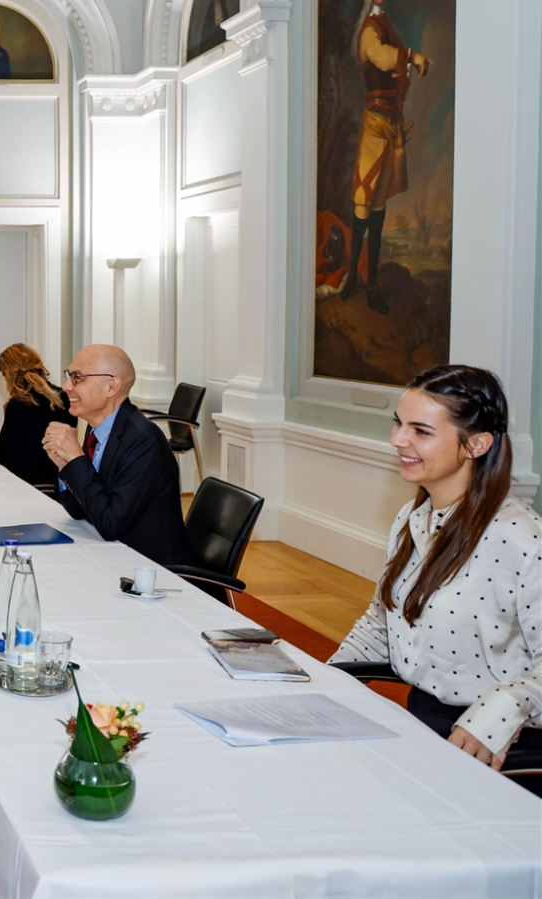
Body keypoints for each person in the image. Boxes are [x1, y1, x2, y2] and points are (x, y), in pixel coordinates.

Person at [330, 365, 542, 779]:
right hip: (422, 723)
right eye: (398, 424)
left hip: (498, 750)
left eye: (421, 431)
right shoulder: (412, 517)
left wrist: (507, 705)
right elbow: (380, 623)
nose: (398, 439)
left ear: (475, 444)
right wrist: (323, 682)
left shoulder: (522, 539)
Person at [41, 344, 187, 565]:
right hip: (114, 552)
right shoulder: (97, 429)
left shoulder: (142, 440)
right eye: (68, 376)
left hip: (148, 567)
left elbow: (110, 524)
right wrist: (66, 466)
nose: (66, 386)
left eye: (77, 378)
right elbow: (79, 510)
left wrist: (76, 459)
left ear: (111, 387)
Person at [346, 0, 430, 313]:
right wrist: (411, 56)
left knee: (379, 204)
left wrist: (407, 63)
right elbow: (382, 58)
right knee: (362, 200)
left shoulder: (385, 25)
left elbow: (393, 64)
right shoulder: (369, 30)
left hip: (392, 124)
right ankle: (352, 277)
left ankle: (371, 286)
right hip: (375, 127)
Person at [0, 343, 76, 487]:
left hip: (26, 483)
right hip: (59, 481)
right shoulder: (64, 398)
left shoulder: (18, 404)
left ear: (9, 373)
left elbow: (3, 446)